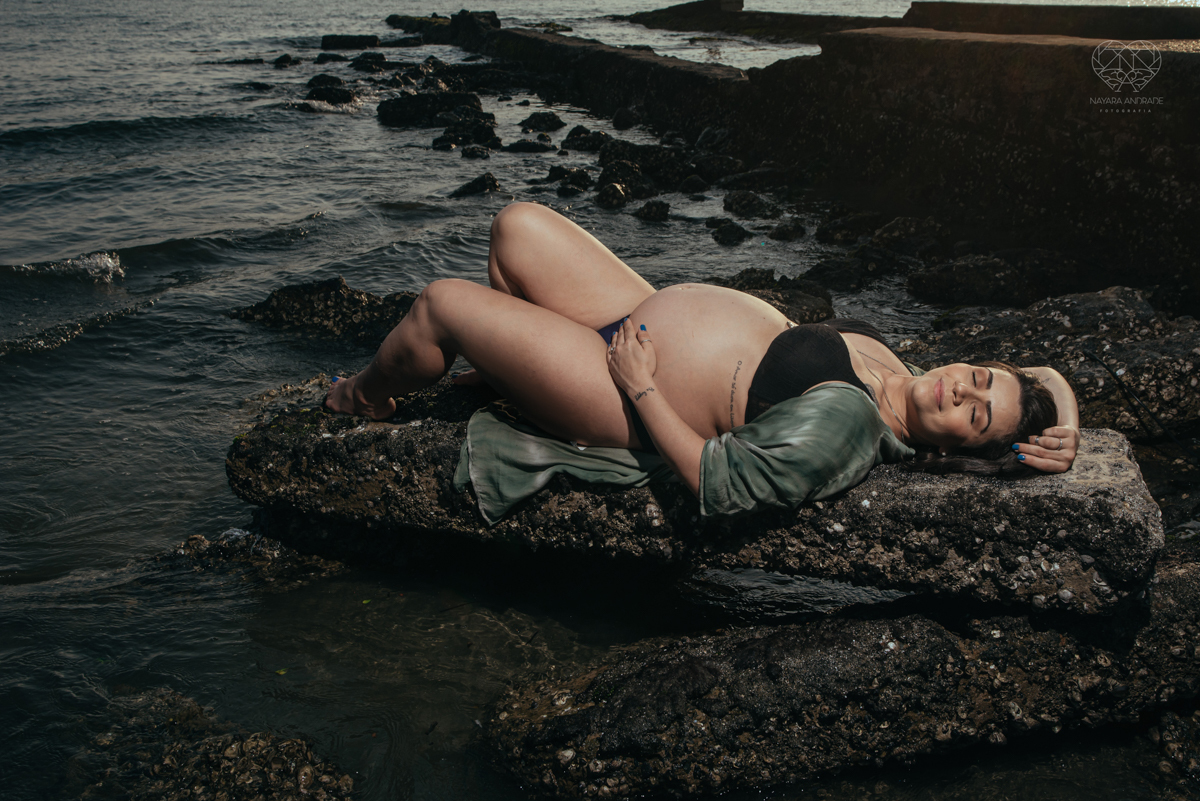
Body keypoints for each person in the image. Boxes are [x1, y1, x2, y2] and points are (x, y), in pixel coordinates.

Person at [326, 203, 1080, 521]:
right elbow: (1041, 378)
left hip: (619, 386)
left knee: (442, 304)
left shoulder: (851, 423)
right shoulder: (898, 368)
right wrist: (1065, 417)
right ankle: (512, 369)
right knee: (515, 227)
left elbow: (721, 481)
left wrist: (641, 387)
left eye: (974, 417)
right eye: (979, 377)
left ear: (950, 447)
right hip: (634, 314)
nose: (961, 391)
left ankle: (364, 396)